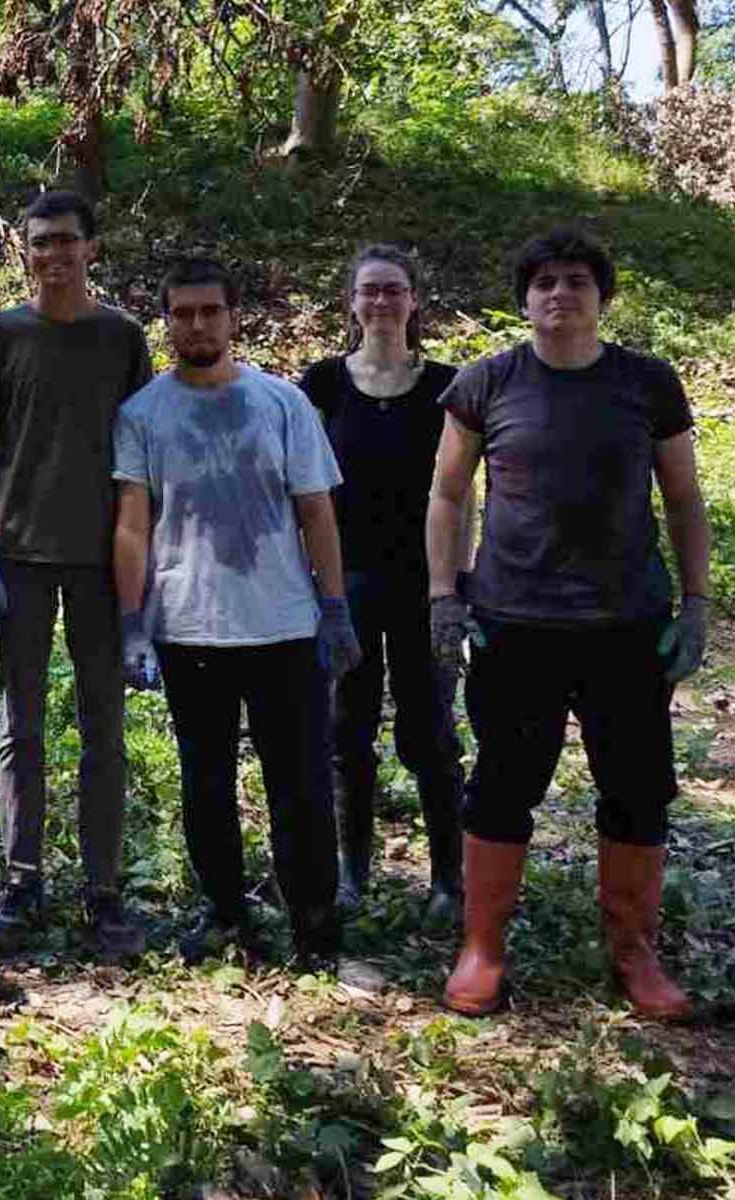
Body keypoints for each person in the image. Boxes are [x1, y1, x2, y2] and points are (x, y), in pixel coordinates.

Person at [428, 227, 711, 1020]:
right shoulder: (486, 382)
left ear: (602, 298)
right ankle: (483, 948)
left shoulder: (647, 383)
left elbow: (684, 498)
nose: (560, 293)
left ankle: (634, 952)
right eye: (545, 282)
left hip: (627, 624)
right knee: (502, 785)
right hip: (515, 623)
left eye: (577, 281)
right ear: (524, 300)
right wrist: (444, 596)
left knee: (637, 789)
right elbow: (447, 493)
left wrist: (697, 603)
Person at [113, 256, 362, 965]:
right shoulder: (142, 415)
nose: (197, 324)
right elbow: (132, 523)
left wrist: (334, 606)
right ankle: (226, 912)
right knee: (206, 782)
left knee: (301, 784)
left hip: (285, 624)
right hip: (189, 626)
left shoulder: (282, 403)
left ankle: (314, 927)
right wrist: (132, 624)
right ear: (167, 323)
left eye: (209, 311)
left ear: (233, 318)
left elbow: (316, 511)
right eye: (182, 313)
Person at [0, 190, 155, 957]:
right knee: (21, 727)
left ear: (90, 248)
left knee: (104, 728)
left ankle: (103, 892)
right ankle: (22, 881)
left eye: (67, 241)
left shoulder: (121, 337)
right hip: (20, 558)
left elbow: (141, 453)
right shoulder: (0, 335)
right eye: (40, 242)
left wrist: (143, 572)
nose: (54, 254)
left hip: (102, 563)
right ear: (25, 250)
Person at [298, 244, 467, 921]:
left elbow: (461, 495)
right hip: (350, 581)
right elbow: (305, 489)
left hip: (426, 582)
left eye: (394, 289)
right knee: (346, 729)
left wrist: (454, 587)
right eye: (369, 290)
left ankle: (448, 879)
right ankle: (352, 872)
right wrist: (317, 587)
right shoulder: (322, 384)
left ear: (414, 300)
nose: (381, 301)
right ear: (351, 302)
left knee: (430, 733)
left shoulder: (448, 386)